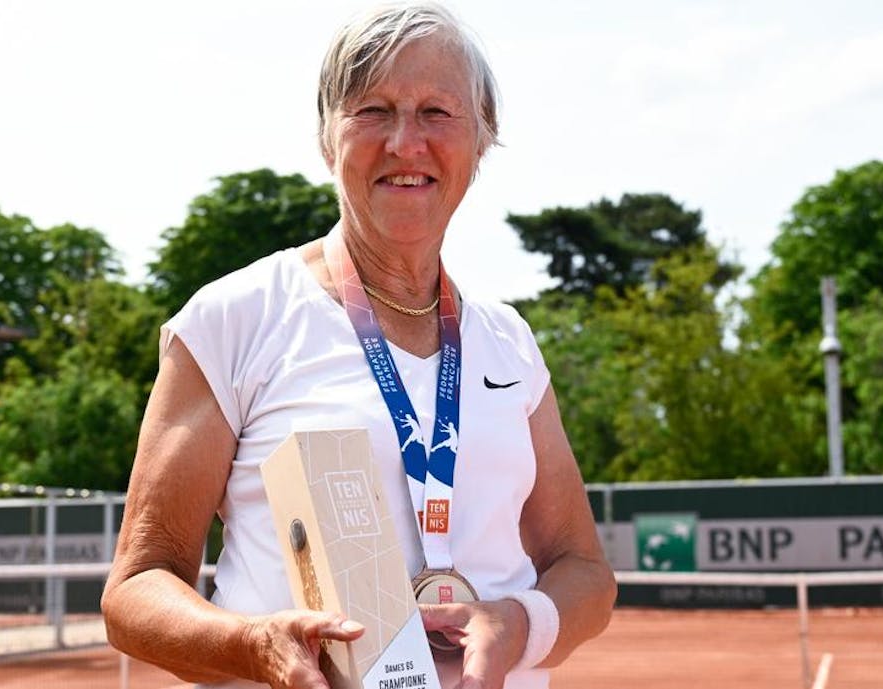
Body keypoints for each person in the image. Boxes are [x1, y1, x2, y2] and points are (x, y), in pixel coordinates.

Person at [101, 3, 616, 688]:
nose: (406, 143)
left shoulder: (508, 342)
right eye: (373, 110)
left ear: (482, 140)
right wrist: (252, 643)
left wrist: (518, 621)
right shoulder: (234, 319)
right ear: (326, 137)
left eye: (438, 112)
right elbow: (136, 587)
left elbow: (584, 571)